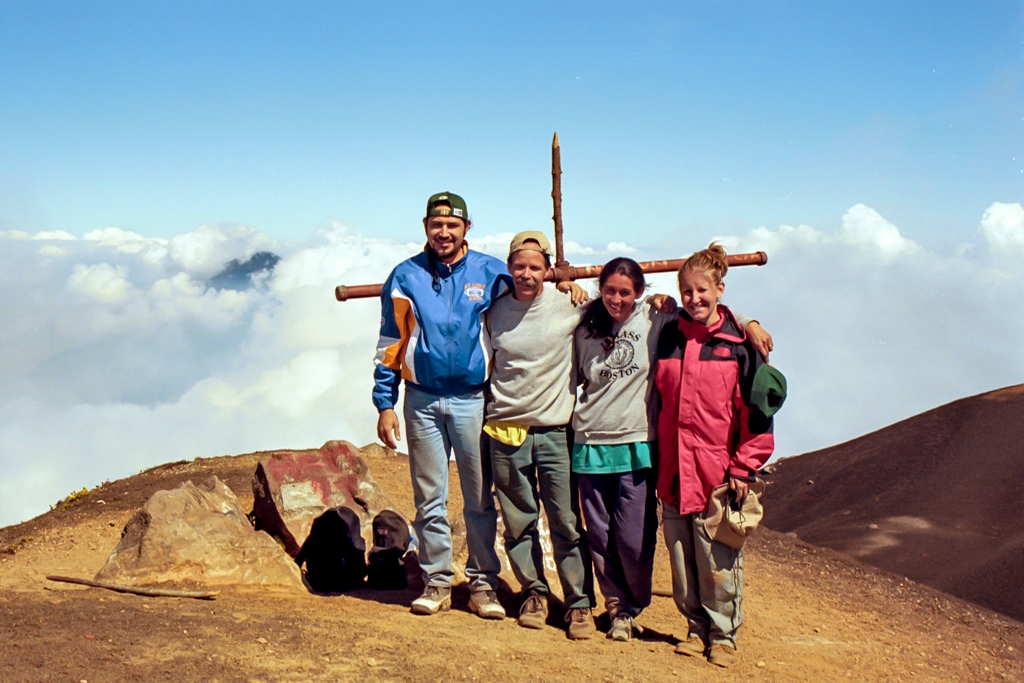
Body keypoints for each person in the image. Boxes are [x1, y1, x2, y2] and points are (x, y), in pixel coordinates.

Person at [572, 257, 771, 642]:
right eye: (609, 290)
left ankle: (714, 632)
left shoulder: (673, 325)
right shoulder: (606, 324)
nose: (616, 298)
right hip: (628, 452)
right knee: (630, 543)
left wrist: (749, 322)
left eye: (625, 292)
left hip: (669, 454)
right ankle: (648, 618)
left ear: (641, 292)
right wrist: (567, 287)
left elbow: (756, 409)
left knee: (657, 543)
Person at [372, 191, 509, 619]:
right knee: (429, 496)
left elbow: (529, 302)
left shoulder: (492, 272)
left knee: (479, 497)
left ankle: (483, 583)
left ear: (467, 227)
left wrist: (569, 288)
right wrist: (384, 403)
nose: (444, 232)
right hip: (422, 400)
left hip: (473, 399)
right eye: (436, 224)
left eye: (452, 225)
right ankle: (437, 581)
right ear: (426, 227)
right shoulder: (405, 276)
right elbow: (390, 342)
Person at [654, 243, 775, 668]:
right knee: (682, 556)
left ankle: (723, 635)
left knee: (718, 556)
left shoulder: (740, 345)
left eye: (702, 290)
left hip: (717, 473)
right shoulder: (669, 334)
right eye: (685, 291)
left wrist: (745, 466)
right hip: (672, 467)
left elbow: (757, 415)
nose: (694, 299)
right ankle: (694, 627)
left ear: (720, 289)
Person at [483, 230, 599, 639]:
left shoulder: (571, 304)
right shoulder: (493, 312)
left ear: (549, 269)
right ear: (509, 267)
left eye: (535, 267)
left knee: (566, 520)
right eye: (519, 266)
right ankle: (534, 592)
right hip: (505, 428)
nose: (526, 274)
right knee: (518, 521)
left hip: (554, 430)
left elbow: (626, 311)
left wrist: (747, 320)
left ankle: (579, 603)